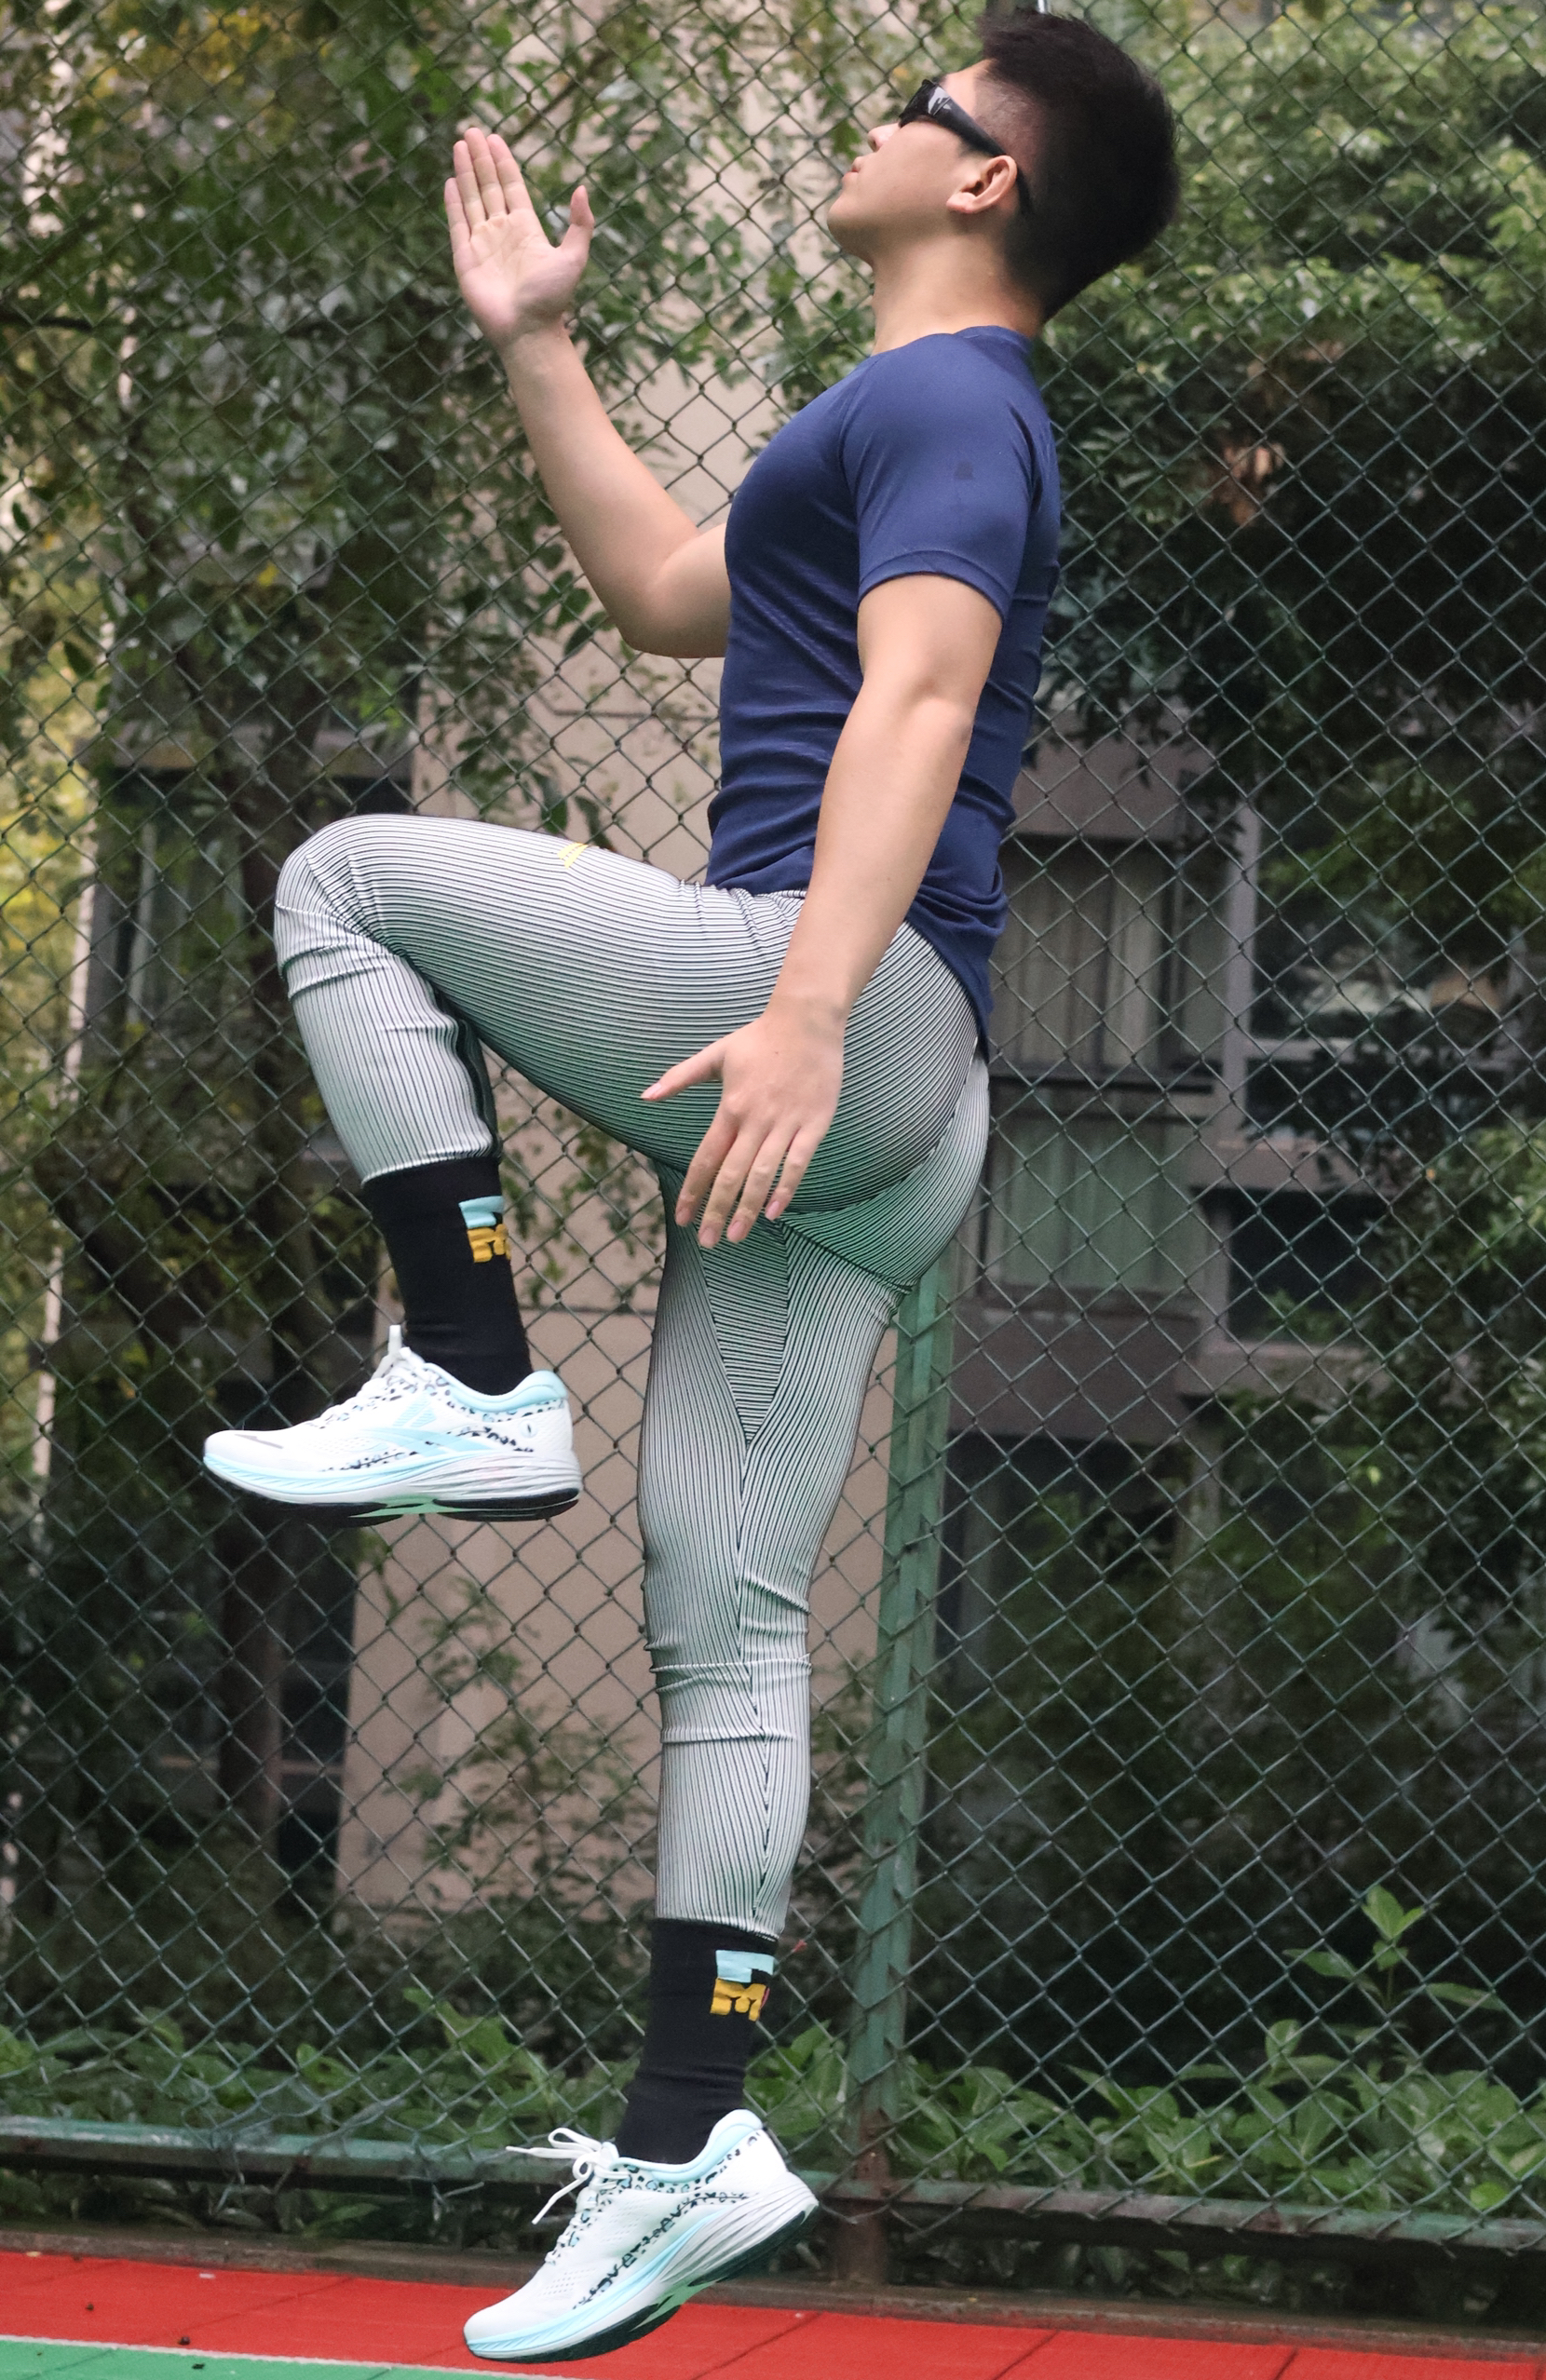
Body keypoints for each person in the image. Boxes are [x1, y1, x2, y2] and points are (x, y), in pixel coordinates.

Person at [202, 10, 1177, 2359]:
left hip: (844, 1012)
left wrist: (814, 1004)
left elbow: (919, 698)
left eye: (919, 106)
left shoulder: (953, 401)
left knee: (348, 880)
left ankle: (470, 1369)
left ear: (982, 184)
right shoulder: (898, 411)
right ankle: (684, 2142)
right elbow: (665, 588)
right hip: (899, 1121)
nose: (877, 120)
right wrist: (538, 343)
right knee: (720, 1622)